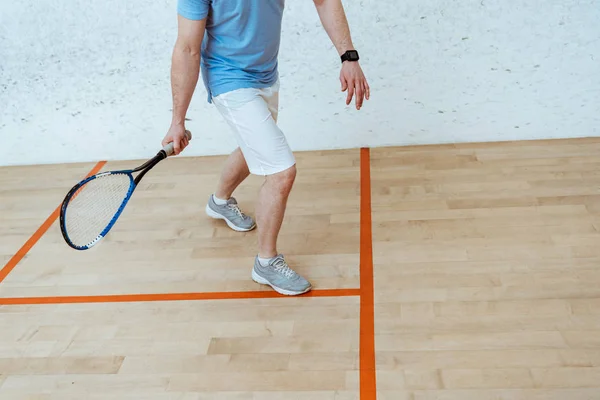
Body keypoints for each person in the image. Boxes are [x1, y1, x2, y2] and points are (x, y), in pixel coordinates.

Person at [161, 0, 370, 296]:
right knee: (282, 171)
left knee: (255, 147)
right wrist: (177, 120)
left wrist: (348, 57)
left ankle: (219, 201)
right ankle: (266, 262)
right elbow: (187, 48)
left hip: (266, 74)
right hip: (229, 79)